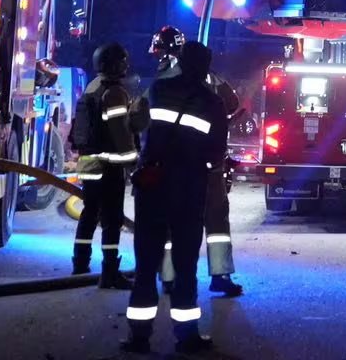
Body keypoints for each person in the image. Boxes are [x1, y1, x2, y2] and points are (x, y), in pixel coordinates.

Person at [124, 39, 228, 355]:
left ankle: (139, 336)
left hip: (153, 182)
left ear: (180, 62)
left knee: (145, 263)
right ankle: (187, 336)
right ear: (206, 68)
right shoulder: (213, 102)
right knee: (184, 265)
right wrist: (200, 167)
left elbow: (136, 124)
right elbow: (217, 151)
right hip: (189, 187)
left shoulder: (157, 90)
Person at [150, 25, 245, 297]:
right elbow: (232, 102)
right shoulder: (212, 85)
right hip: (207, 168)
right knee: (216, 221)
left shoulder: (162, 83)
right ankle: (220, 274)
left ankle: (168, 276)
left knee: (170, 221)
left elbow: (141, 117)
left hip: (169, 166)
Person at [71, 42, 139, 287]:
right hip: (109, 164)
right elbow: (120, 133)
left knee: (89, 212)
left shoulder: (92, 87)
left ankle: (80, 263)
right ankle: (110, 271)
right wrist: (133, 162)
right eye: (122, 61)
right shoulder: (115, 93)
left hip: (88, 161)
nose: (125, 65)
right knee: (112, 218)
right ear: (113, 64)